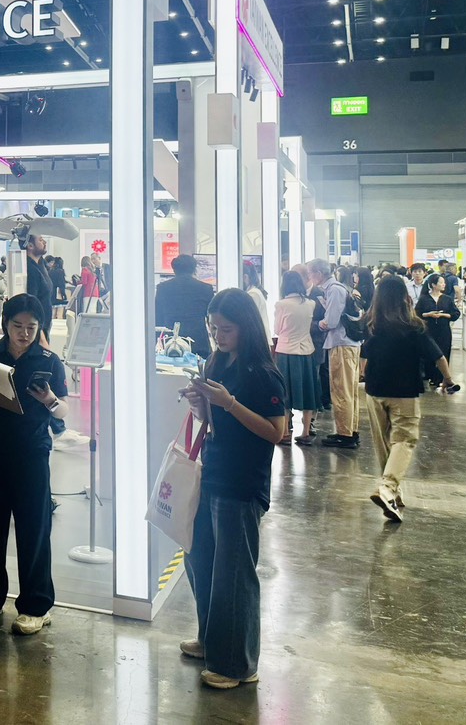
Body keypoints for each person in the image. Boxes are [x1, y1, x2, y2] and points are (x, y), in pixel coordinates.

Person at [180, 288, 288, 690]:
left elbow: (276, 431)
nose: (218, 335)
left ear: (246, 327)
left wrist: (229, 404)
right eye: (213, 328)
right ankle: (212, 640)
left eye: (226, 329)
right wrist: (200, 403)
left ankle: (237, 664)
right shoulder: (217, 361)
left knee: (234, 573)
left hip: (242, 482)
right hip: (212, 470)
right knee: (200, 561)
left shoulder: (262, 373)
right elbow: (211, 420)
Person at [0, 293, 69, 636]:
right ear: (5, 324)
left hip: (32, 452)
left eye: (31, 327)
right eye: (17, 326)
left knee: (33, 529)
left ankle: (36, 607)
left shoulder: (49, 361)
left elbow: (64, 410)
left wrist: (49, 399)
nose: (24, 333)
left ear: (40, 328)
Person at [361, 275, 460, 522]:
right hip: (404, 392)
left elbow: (364, 359)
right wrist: (448, 379)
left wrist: (364, 376)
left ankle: (392, 492)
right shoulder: (414, 326)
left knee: (384, 443)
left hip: (375, 391)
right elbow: (438, 356)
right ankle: (387, 487)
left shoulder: (372, 325)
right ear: (404, 297)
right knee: (404, 439)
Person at [310, 258, 360, 450]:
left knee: (341, 389)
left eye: (311, 273)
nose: (310, 277)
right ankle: (349, 430)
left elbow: (330, 321)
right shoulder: (339, 288)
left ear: (319, 273)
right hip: (347, 343)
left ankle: (345, 434)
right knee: (348, 390)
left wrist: (318, 324)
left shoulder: (334, 290)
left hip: (341, 343)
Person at [274, 271, 318, 445]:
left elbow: (277, 330)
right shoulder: (311, 303)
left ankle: (285, 432)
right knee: (308, 391)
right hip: (306, 351)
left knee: (285, 393)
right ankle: (306, 432)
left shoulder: (281, 305)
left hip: (286, 352)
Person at [156, 255, 214, 358]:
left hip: (171, 340)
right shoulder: (206, 289)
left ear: (174, 269)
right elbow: (211, 318)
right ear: (194, 269)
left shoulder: (163, 288)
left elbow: (158, 317)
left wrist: (157, 340)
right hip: (198, 340)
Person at [415, 274, 461, 390]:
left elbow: (455, 314)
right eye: (441, 282)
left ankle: (442, 378)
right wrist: (428, 315)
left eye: (444, 282)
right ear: (433, 285)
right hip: (428, 330)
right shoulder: (424, 299)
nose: (443, 284)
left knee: (444, 353)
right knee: (429, 353)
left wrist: (443, 315)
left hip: (443, 330)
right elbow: (417, 314)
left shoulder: (447, 299)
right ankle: (431, 377)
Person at [24, 235, 54, 340]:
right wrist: (39, 333)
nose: (45, 242)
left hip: (44, 325)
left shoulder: (41, 265)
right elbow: (32, 302)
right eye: (40, 240)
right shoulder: (30, 269)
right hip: (37, 329)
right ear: (30, 245)